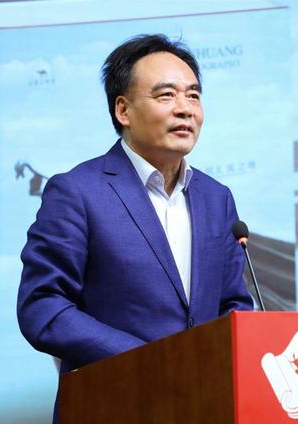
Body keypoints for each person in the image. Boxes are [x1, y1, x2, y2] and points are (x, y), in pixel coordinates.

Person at [17, 34, 254, 376]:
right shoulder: (77, 192)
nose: (185, 108)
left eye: (193, 95)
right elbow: (43, 307)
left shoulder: (217, 198)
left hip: (204, 397)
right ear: (123, 110)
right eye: (166, 95)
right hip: (115, 393)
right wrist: (148, 360)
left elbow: (233, 303)